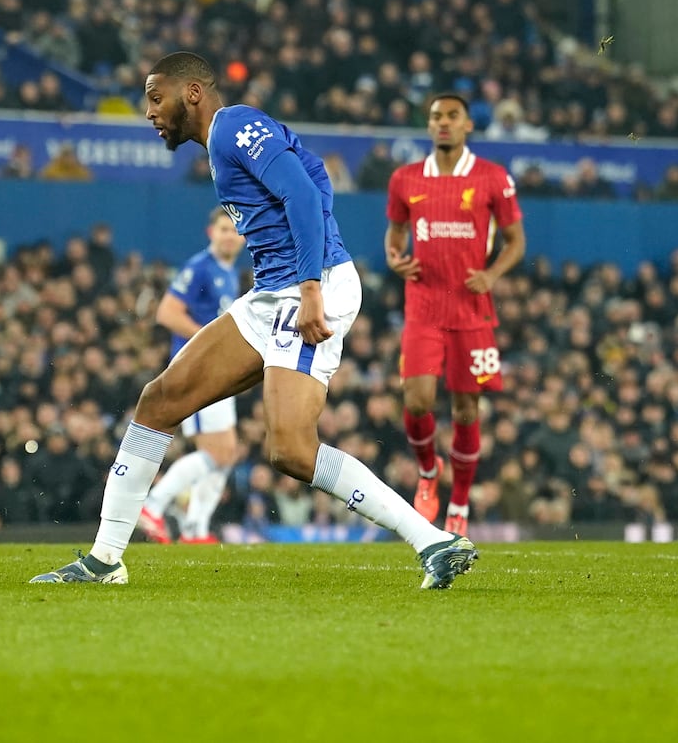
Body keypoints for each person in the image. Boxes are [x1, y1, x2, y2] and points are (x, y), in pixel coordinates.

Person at [32, 52, 476, 590]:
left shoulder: (235, 126)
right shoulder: (223, 145)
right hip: (272, 293)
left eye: (155, 97)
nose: (148, 112)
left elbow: (305, 194)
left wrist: (312, 287)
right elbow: (314, 183)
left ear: (192, 92)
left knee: (290, 449)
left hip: (308, 288)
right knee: (159, 401)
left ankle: (432, 541)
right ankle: (105, 560)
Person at [386, 93, 526, 537]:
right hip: (423, 306)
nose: (443, 123)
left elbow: (515, 242)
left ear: (468, 125)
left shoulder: (492, 177)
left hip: (471, 309)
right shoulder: (405, 178)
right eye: (435, 117)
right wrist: (394, 259)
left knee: (466, 409)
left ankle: (460, 502)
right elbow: (394, 235)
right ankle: (429, 471)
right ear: (428, 126)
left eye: (452, 117)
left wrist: (493, 275)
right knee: (416, 400)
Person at [139, 207, 245, 544]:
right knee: (216, 453)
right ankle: (152, 506)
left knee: (226, 452)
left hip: (217, 370)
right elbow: (167, 313)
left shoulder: (229, 272)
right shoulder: (200, 267)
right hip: (196, 369)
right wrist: (207, 342)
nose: (229, 235)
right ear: (210, 232)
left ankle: (195, 528)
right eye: (223, 229)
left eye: (234, 230)